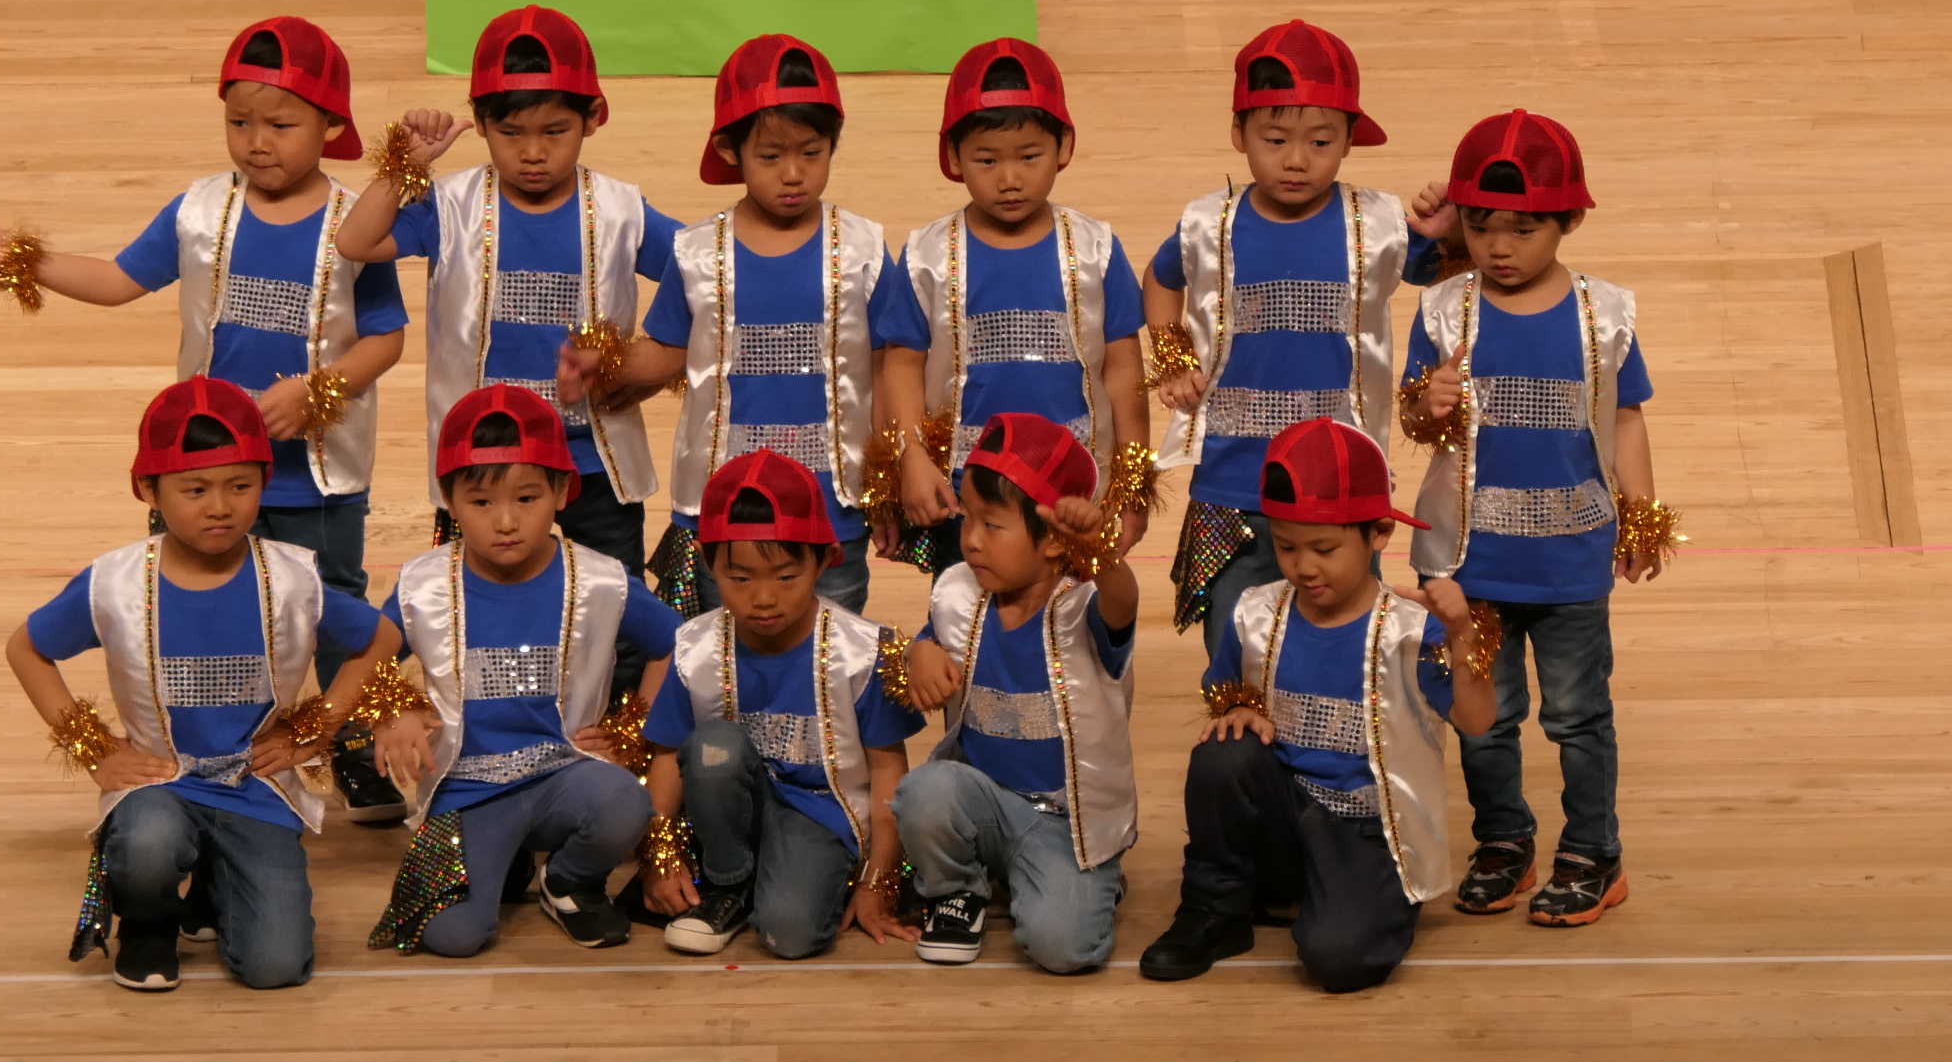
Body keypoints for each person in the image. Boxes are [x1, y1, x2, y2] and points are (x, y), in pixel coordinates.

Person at [0, 17, 410, 822]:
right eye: (239, 122)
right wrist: (25, 261)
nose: (257, 142)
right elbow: (119, 279)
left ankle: (342, 749)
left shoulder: (356, 227)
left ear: (331, 125)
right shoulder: (200, 212)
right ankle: (209, 750)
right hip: (206, 472)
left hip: (316, 475)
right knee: (207, 603)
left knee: (332, 609)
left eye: (280, 124)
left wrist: (320, 390)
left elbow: (387, 337)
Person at [3, 378, 402, 993]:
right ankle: (148, 921)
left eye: (239, 486)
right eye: (196, 489)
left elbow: (381, 639)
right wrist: (96, 750)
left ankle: (215, 883)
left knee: (276, 967)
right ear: (149, 489)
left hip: (255, 786)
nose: (220, 506)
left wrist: (316, 728)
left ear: (264, 481)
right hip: (160, 782)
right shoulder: (114, 583)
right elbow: (26, 649)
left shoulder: (292, 579)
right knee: (148, 845)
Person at [333, 5, 682, 707]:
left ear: (593, 118)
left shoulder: (621, 210)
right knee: (477, 611)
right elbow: (355, 242)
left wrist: (642, 364)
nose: (533, 152)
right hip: (483, 471)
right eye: (511, 132)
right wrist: (406, 165)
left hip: (593, 464)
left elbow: (712, 275)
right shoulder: (452, 204)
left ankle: (620, 744)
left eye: (555, 131)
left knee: (615, 621)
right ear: (481, 123)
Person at [1400, 108, 1678, 929]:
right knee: (1484, 719)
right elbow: (1415, 422)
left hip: (1569, 563)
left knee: (1577, 716)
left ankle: (1594, 853)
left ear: (1570, 221)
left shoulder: (1605, 314)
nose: (1500, 247)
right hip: (1466, 562)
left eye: (1523, 229)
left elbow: (1625, 418)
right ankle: (1504, 843)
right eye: (1482, 227)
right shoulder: (1443, 309)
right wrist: (1425, 405)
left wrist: (1640, 519)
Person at [1137, 419, 1497, 991]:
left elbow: (1477, 720)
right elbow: (1227, 700)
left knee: (1339, 960)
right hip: (1285, 816)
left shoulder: (1411, 631)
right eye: (1286, 546)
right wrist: (1235, 714)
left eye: (1324, 549)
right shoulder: (1255, 612)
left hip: (1368, 831)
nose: (1304, 566)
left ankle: (1363, 898)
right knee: (1222, 755)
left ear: (1379, 533)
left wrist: (1464, 637)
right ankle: (1215, 908)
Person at [1144, 19, 1457, 656]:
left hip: (1342, 483)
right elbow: (1159, 278)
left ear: (1349, 140)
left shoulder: (1379, 223)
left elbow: (1453, 271)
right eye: (1275, 139)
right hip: (1231, 481)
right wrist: (1173, 358)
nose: (1295, 159)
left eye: (1320, 140)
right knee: (1233, 643)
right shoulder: (1209, 223)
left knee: (1340, 641)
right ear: (1239, 134)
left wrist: (1455, 226)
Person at [560, 34, 886, 619]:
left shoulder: (865, 250)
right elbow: (669, 351)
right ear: (729, 150)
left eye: (812, 153)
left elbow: (890, 365)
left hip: (832, 507)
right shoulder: (697, 253)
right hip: (722, 510)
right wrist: (606, 361)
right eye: (771, 156)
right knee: (725, 645)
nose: (793, 174)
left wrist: (894, 473)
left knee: (833, 642)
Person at [362, 386, 683, 958]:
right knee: (451, 937)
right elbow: (367, 658)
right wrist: (393, 711)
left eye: (527, 497)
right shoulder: (423, 585)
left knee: (623, 804)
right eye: (481, 502)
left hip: (566, 774)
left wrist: (635, 730)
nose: (506, 521)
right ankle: (502, 859)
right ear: (448, 499)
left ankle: (568, 881)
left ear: (561, 491)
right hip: (469, 788)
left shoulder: (599, 580)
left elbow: (676, 646)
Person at [870, 39, 1152, 580]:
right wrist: (911, 458)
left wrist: (1132, 484)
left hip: (1075, 497)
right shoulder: (928, 255)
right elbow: (901, 365)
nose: (1009, 179)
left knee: (1075, 626)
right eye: (987, 160)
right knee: (966, 621)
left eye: (1029, 156)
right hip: (965, 499)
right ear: (953, 156)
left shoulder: (1095, 248)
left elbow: (1122, 369)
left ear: (1064, 146)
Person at [633, 450, 924, 958]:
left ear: (824, 560)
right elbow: (667, 757)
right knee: (713, 749)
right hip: (728, 811)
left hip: (823, 813)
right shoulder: (694, 648)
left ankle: (779, 881)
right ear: (707, 563)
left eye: (786, 577)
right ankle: (727, 883)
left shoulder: (862, 653)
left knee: (789, 933)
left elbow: (887, 772)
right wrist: (658, 857)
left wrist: (878, 880)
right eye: (740, 578)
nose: (763, 598)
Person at [891, 413, 1139, 974]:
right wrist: (918, 653)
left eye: (993, 525)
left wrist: (1101, 552)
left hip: (1066, 824)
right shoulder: (960, 595)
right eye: (967, 518)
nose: (971, 540)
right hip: (980, 803)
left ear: (1052, 541)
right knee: (925, 790)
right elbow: (931, 639)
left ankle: (1088, 878)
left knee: (1064, 948)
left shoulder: (1084, 607)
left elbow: (1122, 602)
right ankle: (958, 889)